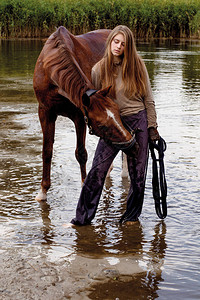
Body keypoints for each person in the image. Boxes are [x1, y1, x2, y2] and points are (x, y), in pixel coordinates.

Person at [70, 25, 159, 226]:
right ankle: (81, 219)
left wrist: (152, 127)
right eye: (115, 42)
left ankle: (131, 217)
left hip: (138, 120)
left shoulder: (137, 65)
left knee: (138, 175)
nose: (118, 47)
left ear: (129, 47)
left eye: (123, 44)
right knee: (97, 171)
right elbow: (96, 105)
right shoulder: (98, 69)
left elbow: (149, 99)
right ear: (110, 41)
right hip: (113, 125)